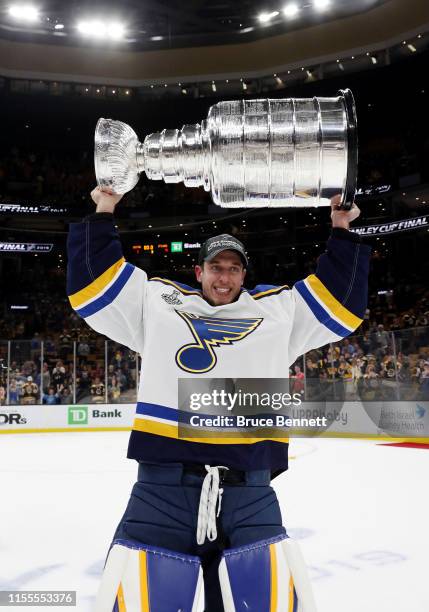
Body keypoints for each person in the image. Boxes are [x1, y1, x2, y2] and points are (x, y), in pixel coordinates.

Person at [67, 187, 371, 611]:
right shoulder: (158, 305)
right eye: (215, 267)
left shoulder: (277, 312)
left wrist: (341, 228)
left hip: (250, 492)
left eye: (233, 269)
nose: (224, 277)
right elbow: (93, 286)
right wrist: (103, 208)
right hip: (162, 491)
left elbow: (341, 303)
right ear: (198, 271)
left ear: (244, 275)